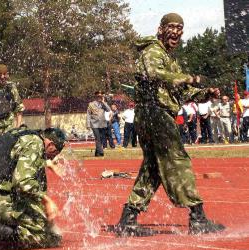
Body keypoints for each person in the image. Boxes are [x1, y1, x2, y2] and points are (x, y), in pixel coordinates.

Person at [114, 13, 225, 236]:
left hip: (153, 115)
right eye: (171, 27)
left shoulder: (169, 58)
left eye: (179, 28)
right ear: (161, 29)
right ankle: (198, 217)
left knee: (153, 168)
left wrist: (205, 93)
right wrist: (185, 77)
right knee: (178, 160)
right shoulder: (153, 50)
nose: (175, 31)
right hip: (155, 113)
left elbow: (182, 91)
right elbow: (153, 74)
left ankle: (129, 217)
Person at [0, 126, 66, 250]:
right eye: (54, 152)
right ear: (50, 143)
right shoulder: (35, 143)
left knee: (40, 218)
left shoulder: (24, 134)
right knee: (49, 237)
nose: (52, 157)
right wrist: (46, 200)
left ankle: (1, 226)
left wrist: (48, 164)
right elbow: (23, 182)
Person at [86, 91, 110, 156]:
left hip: (102, 124)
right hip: (94, 124)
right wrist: (88, 124)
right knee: (98, 138)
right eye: (98, 96)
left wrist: (103, 102)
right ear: (96, 96)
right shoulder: (91, 104)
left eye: (101, 96)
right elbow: (88, 115)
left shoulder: (103, 104)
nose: (99, 97)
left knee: (101, 138)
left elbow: (108, 110)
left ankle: (97, 153)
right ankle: (101, 151)